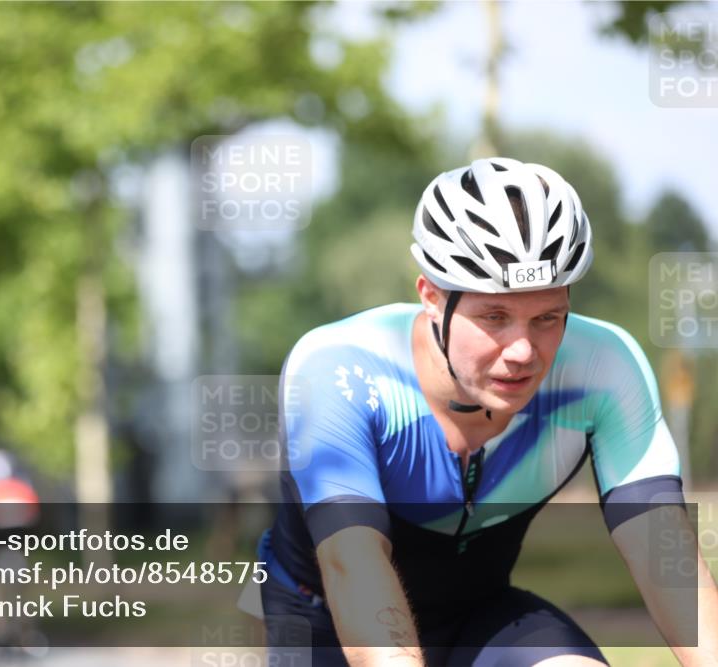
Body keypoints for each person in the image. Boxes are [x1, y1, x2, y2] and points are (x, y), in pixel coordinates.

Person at [259, 158, 718, 666]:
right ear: (432, 297)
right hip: (327, 619)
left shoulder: (603, 368)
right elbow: (353, 565)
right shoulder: (338, 369)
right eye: (495, 317)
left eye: (547, 317)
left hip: (483, 618)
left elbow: (664, 556)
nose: (523, 351)